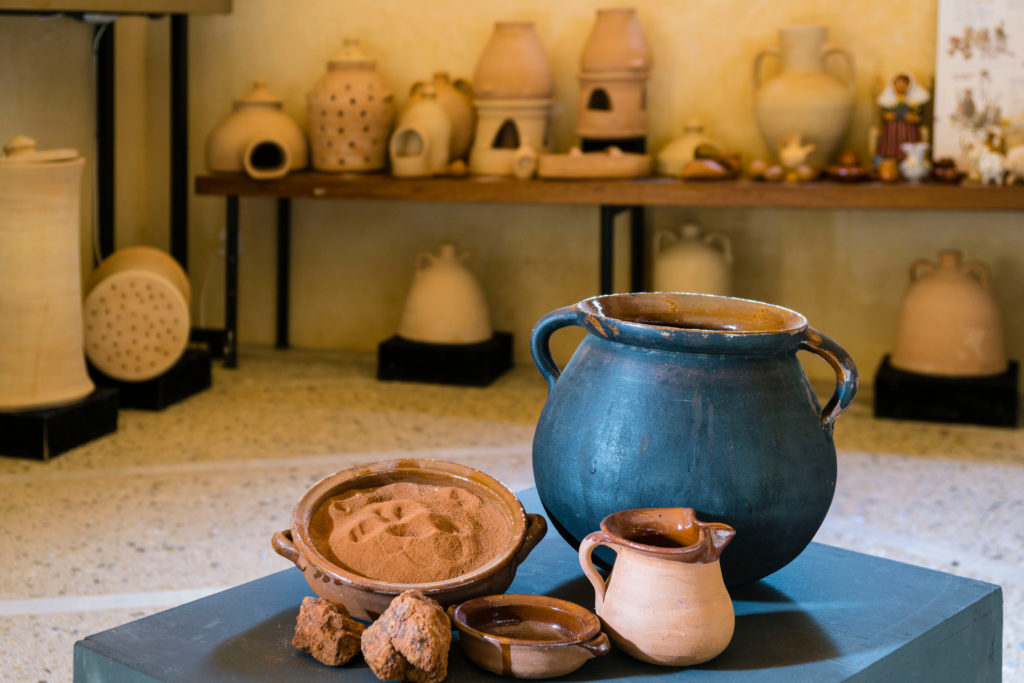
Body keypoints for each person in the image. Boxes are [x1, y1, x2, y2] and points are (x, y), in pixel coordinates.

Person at [875, 73, 930, 162]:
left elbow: (918, 117)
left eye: (903, 83)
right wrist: (900, 116)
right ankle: (889, 159)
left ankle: (909, 159)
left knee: (908, 131)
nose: (900, 86)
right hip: (891, 128)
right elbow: (886, 116)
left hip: (910, 127)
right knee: (891, 129)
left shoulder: (917, 99)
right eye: (898, 83)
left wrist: (910, 117)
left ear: (909, 85)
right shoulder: (886, 98)